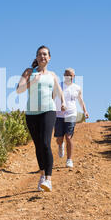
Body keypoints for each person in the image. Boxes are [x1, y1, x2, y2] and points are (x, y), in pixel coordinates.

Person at [17, 45, 66, 192]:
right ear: (36, 57)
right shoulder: (29, 72)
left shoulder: (52, 75)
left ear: (49, 58)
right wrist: (33, 81)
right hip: (31, 114)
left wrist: (62, 102)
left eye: (45, 54)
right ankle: (42, 175)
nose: (42, 57)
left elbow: (58, 91)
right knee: (38, 146)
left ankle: (49, 180)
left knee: (45, 143)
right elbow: (19, 90)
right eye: (39, 54)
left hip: (48, 111)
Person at [54, 68, 89, 168]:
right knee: (59, 139)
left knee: (68, 137)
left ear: (74, 77)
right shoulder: (58, 86)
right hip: (58, 115)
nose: (68, 77)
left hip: (71, 114)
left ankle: (69, 160)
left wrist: (85, 111)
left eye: (70, 75)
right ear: (64, 76)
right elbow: (52, 98)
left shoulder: (77, 88)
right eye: (66, 75)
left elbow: (81, 101)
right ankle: (61, 145)